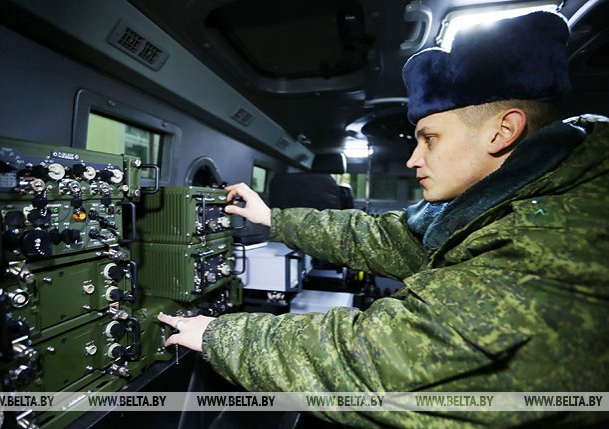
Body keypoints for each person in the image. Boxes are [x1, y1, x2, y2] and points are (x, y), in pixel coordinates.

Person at [158, 11, 609, 428]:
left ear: (502, 131)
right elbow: (380, 236)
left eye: (429, 139)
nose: (414, 159)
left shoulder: (552, 235)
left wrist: (219, 334)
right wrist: (273, 218)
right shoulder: (500, 204)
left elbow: (377, 363)